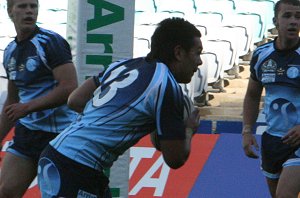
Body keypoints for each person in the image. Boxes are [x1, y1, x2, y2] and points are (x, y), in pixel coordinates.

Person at [37, 17, 202, 198]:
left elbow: (75, 100)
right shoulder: (166, 87)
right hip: (77, 167)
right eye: (197, 53)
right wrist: (187, 129)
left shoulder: (124, 65)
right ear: (178, 52)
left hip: (60, 154)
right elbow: (175, 159)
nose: (200, 62)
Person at [0, 0, 78, 197]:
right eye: (22, 6)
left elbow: (69, 87)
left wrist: (27, 108)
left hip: (59, 136)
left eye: (33, 7)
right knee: (6, 192)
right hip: (28, 133)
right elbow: (12, 101)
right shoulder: (9, 51)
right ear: (10, 11)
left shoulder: (51, 42)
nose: (29, 11)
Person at [242, 0, 300, 197]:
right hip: (273, 141)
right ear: (276, 21)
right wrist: (247, 131)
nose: (293, 22)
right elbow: (252, 95)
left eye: (298, 17)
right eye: (287, 16)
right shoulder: (261, 55)